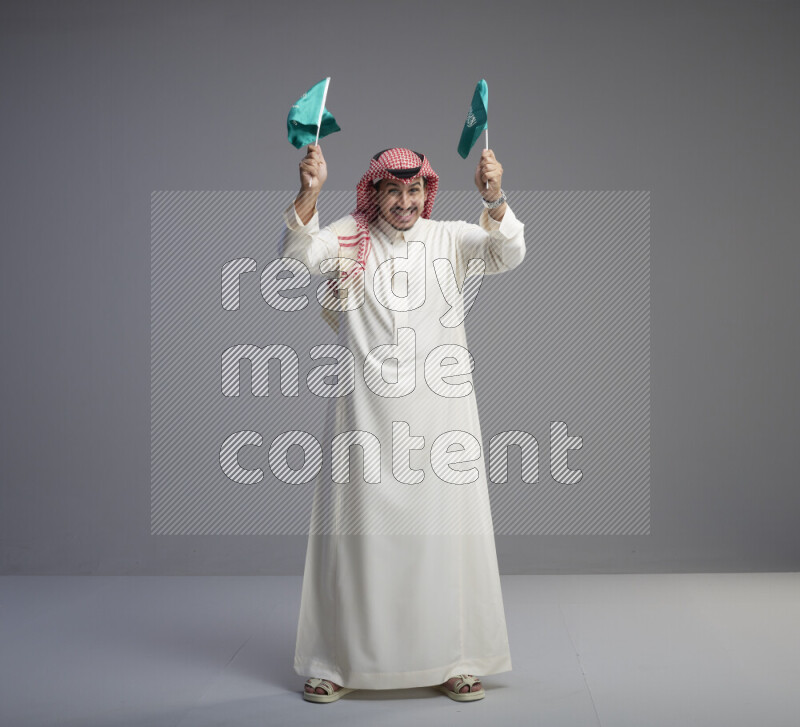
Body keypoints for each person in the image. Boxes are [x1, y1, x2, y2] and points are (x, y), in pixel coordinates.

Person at [280, 144, 525, 703]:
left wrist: (495, 198)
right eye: (393, 191)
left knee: (442, 541)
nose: (405, 202)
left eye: (414, 191)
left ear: (426, 192)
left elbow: (508, 252)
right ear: (375, 191)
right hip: (364, 416)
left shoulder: (450, 239)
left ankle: (456, 658)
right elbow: (297, 256)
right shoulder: (349, 236)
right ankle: (335, 661)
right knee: (357, 542)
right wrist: (309, 193)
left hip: (441, 419)